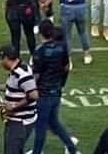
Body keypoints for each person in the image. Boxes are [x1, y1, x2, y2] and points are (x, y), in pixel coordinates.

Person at [30, 19, 79, 154]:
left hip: (43, 94)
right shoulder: (61, 47)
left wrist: (29, 90)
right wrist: (60, 81)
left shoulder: (39, 51)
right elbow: (66, 66)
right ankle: (72, 148)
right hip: (56, 91)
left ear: (40, 33)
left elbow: (36, 76)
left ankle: (37, 152)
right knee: (54, 123)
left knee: (40, 127)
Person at [0, 44, 38, 154]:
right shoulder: (17, 70)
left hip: (20, 122)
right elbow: (13, 88)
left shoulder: (21, 73)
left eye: (0, 59)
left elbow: (33, 95)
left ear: (6, 58)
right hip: (16, 121)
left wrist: (14, 106)